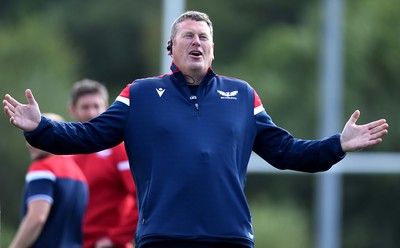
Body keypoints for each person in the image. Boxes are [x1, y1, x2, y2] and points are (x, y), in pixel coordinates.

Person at [3, 10, 388, 248]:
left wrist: (336, 144)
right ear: (170, 47)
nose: (197, 42)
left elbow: (286, 151)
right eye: (188, 35)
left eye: (204, 37)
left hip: (230, 236)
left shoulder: (242, 95)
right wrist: (40, 129)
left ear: (213, 49)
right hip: (163, 236)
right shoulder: (139, 93)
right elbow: (88, 136)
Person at [68, 79, 138, 248]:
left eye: (96, 106)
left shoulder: (118, 149)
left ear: (106, 108)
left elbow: (141, 195)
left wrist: (115, 238)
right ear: (72, 110)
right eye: (85, 107)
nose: (91, 112)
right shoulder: (65, 151)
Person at [8, 113, 88, 248]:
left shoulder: (43, 168)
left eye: (37, 135)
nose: (29, 144)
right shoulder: (79, 174)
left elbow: (37, 218)